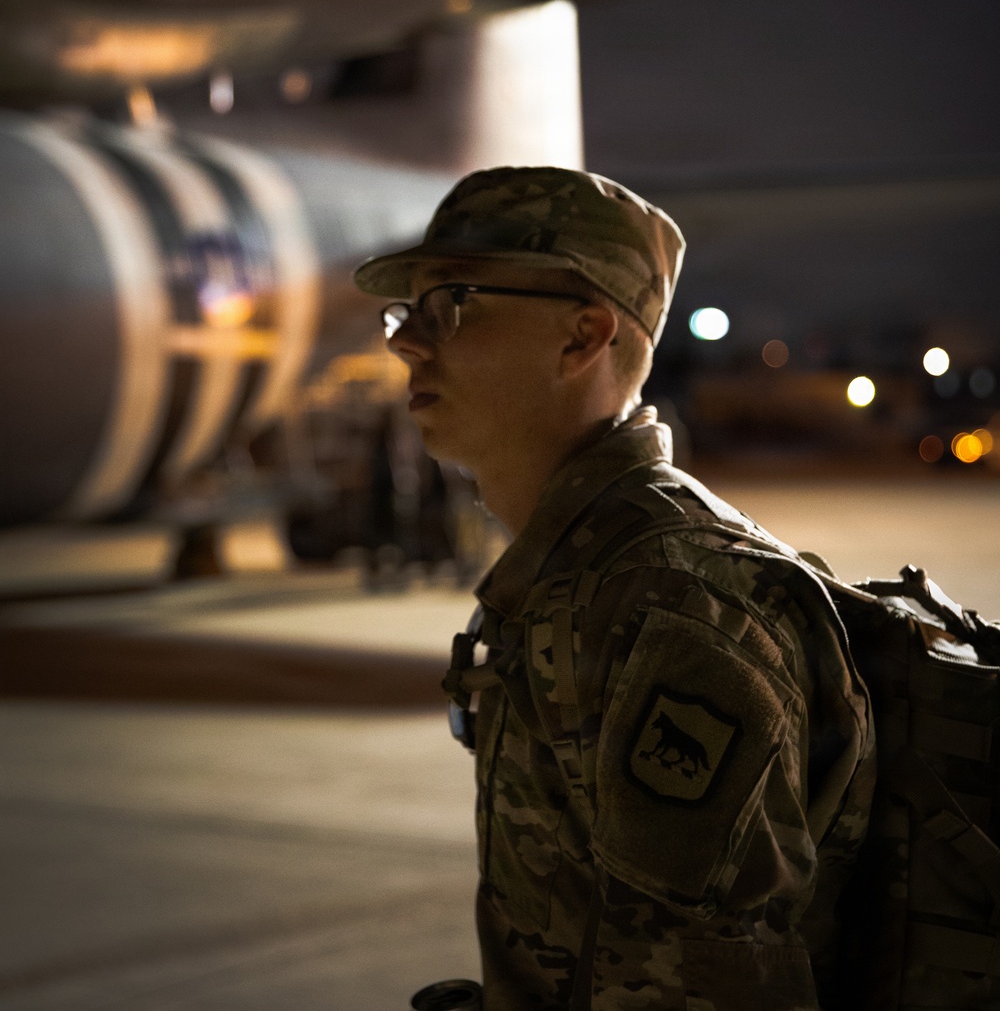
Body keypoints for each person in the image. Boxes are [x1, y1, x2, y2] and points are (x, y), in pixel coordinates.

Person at [354, 166, 874, 1011]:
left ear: (582, 337)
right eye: (403, 312)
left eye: (450, 304)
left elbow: (699, 987)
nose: (405, 341)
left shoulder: (668, 603)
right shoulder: (574, 572)